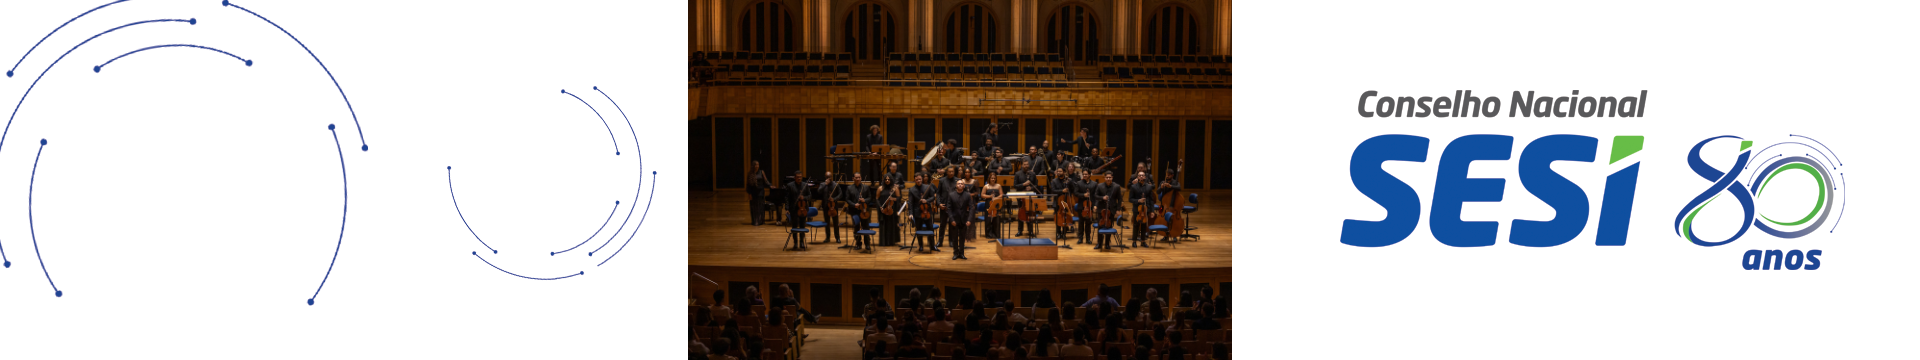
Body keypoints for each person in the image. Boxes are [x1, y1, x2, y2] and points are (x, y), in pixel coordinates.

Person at [783, 171, 810, 249]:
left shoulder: (805, 185)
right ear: (794, 177)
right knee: (794, 226)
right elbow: (787, 198)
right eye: (797, 177)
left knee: (802, 226)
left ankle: (801, 242)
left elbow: (810, 196)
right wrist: (787, 208)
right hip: (794, 209)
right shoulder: (790, 186)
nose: (799, 178)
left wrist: (804, 198)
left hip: (803, 209)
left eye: (800, 177)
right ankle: (795, 243)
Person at [947, 180, 973, 260]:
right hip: (954, 220)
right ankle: (955, 253)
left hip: (964, 220)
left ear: (964, 186)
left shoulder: (967, 195)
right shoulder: (951, 195)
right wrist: (951, 220)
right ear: (956, 185)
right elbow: (949, 208)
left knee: (962, 238)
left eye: (962, 184)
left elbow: (971, 208)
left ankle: (961, 253)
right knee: (954, 238)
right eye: (959, 183)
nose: (960, 185)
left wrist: (969, 219)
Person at [1129, 171, 1155, 245]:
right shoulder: (1133, 187)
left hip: (1145, 209)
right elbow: (1130, 199)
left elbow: (1151, 200)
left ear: (1145, 177)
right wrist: (1138, 200)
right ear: (1137, 177)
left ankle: (1143, 241)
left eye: (1142, 175)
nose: (1141, 177)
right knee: (1136, 225)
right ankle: (1134, 241)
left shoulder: (1149, 187)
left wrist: (1152, 211)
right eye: (1139, 175)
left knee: (1144, 225)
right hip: (1136, 209)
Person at [747, 161, 770, 225]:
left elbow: (766, 181)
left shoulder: (762, 172)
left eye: (758, 164)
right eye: (755, 165)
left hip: (760, 191)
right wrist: (749, 194)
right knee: (754, 207)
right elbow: (748, 185)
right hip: (753, 191)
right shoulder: (750, 173)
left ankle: (761, 221)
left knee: (761, 206)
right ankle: (755, 221)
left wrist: (770, 185)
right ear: (753, 166)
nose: (757, 166)